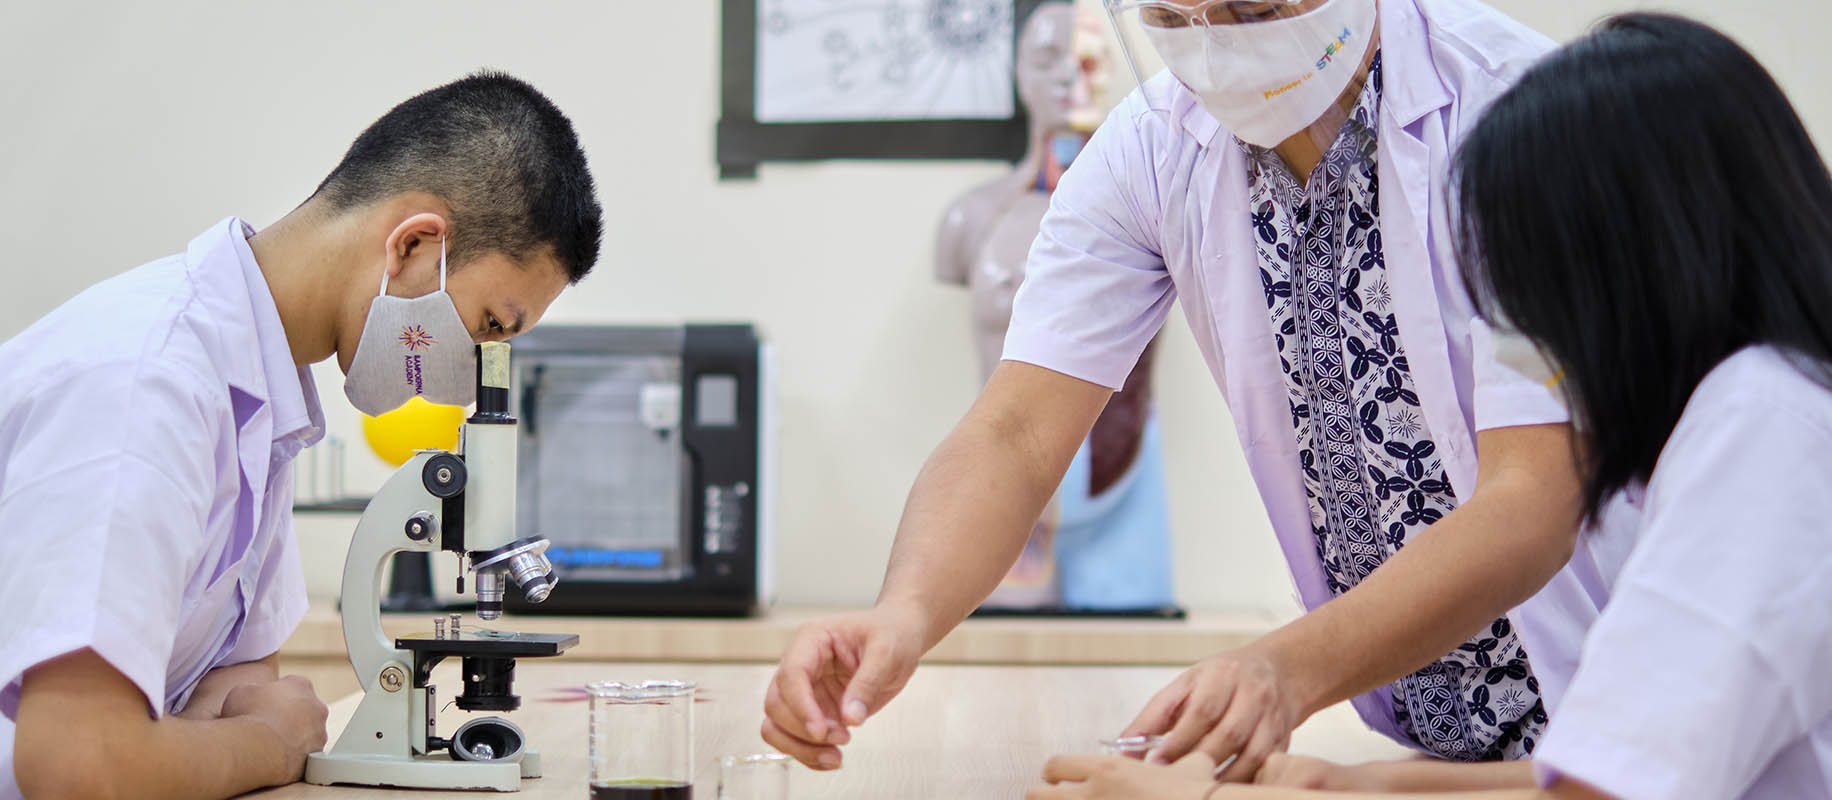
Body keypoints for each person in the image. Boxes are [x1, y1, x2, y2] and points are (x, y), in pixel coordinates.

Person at [764, 0, 1628, 780]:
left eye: (1254, 6)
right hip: (1435, 751)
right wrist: (905, 613)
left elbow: (1534, 499)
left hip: (1635, 710)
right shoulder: (1153, 148)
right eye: (1174, 18)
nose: (1219, 42)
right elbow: (1017, 432)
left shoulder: (1519, 113)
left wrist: (1281, 671)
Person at [1035, 12, 1832, 799]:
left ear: (1649, 250)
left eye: (1534, 275)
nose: (1526, 333)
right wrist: (1350, 785)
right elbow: (1599, 776)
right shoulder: (1759, 407)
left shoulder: (1764, 435)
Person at [0, 71, 603, 798]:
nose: (467, 381)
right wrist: (268, 745)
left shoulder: (265, 401)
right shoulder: (141, 383)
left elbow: (241, 685)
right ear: (413, 245)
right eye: (490, 325)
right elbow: (82, 766)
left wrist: (234, 733)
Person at [937, 0, 1175, 612]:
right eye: (1048, 60)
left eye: (1090, 58)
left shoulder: (1162, 204)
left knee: (1128, 625)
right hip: (1007, 483)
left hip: (1121, 479)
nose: (1072, 75)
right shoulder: (972, 218)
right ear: (1019, 75)